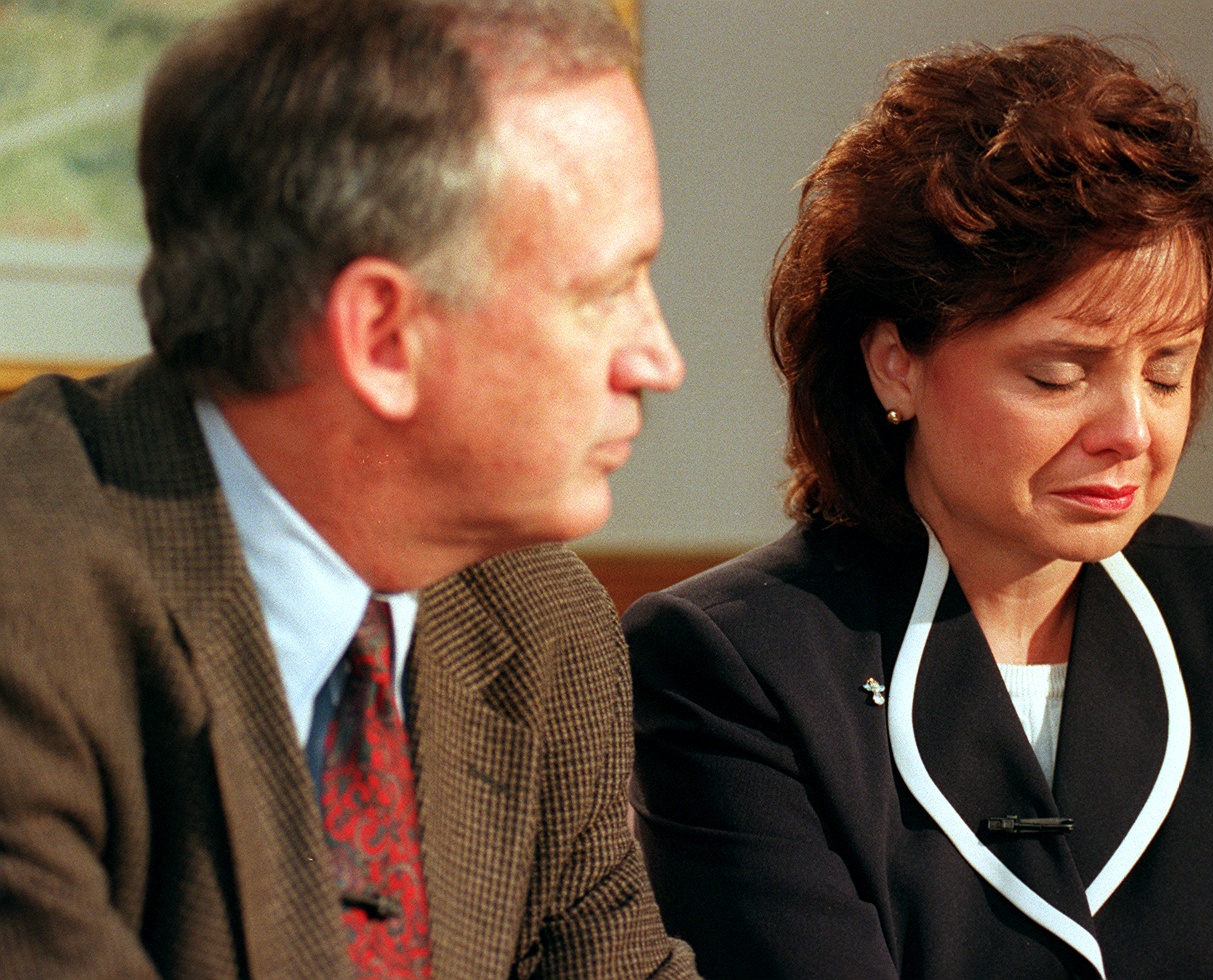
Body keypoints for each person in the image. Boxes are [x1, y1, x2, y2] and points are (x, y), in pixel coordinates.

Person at [626, 34, 1213, 979]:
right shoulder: (735, 662)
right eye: (1058, 373)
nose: (1131, 430)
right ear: (895, 362)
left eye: (1167, 371)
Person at [0, 0, 697, 976]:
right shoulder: (26, 606)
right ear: (381, 336)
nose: (658, 358)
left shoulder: (542, 625)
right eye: (605, 291)